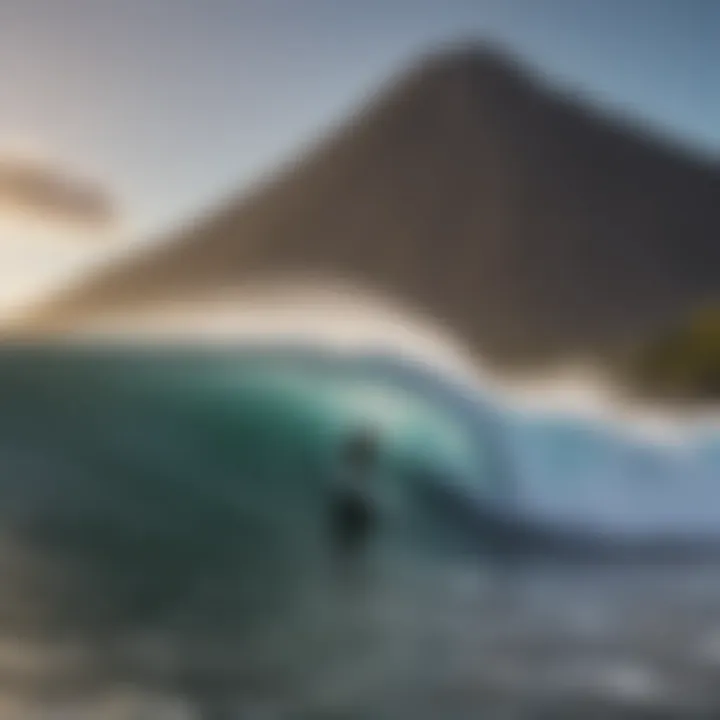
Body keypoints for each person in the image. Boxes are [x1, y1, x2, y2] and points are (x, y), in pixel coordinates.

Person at [328, 426, 380, 559]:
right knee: (347, 539)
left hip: (354, 500)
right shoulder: (360, 452)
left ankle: (344, 561)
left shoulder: (361, 452)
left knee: (349, 540)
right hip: (352, 499)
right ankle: (344, 560)